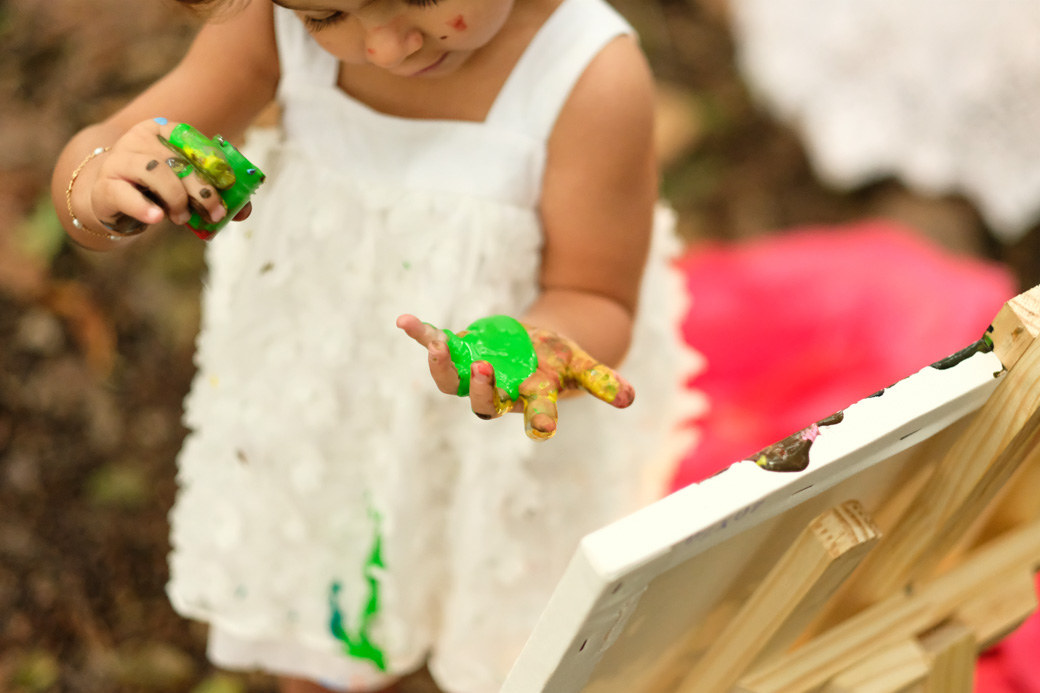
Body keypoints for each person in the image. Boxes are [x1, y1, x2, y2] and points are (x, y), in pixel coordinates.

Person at [50, 0, 692, 691]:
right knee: (330, 620)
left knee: (508, 645)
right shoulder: (271, 25)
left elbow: (595, 294)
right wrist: (99, 186)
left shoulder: (587, 74)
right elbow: (108, 144)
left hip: (493, 437)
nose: (386, 45)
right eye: (328, 17)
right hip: (330, 397)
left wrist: (533, 349)